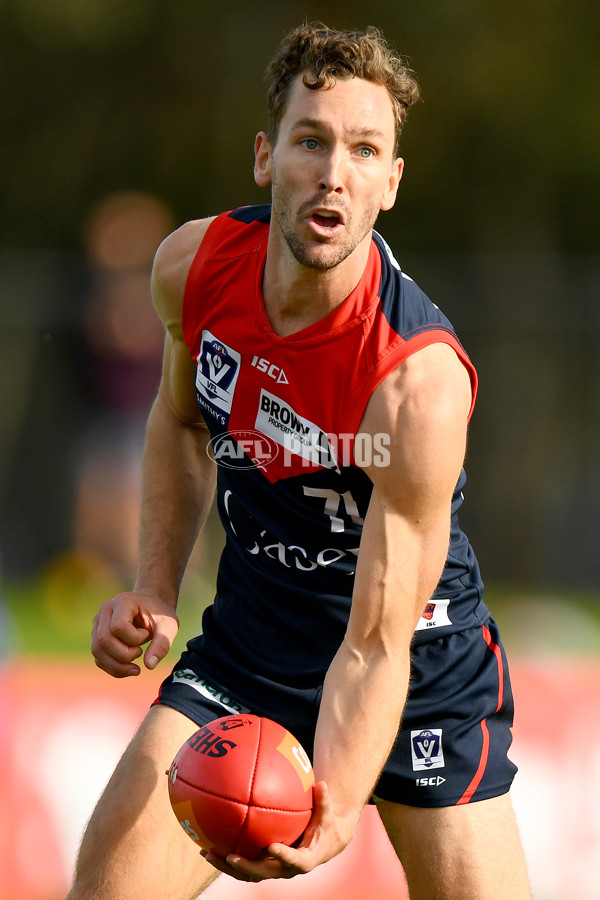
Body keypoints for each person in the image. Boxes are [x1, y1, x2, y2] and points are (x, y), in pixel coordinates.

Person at [67, 22, 531, 900]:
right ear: (263, 158)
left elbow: (375, 641)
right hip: (252, 645)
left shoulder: (416, 385)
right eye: (311, 141)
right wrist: (156, 590)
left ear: (390, 184)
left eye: (365, 150)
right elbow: (178, 423)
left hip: (414, 668)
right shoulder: (192, 267)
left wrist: (341, 806)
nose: (333, 172)